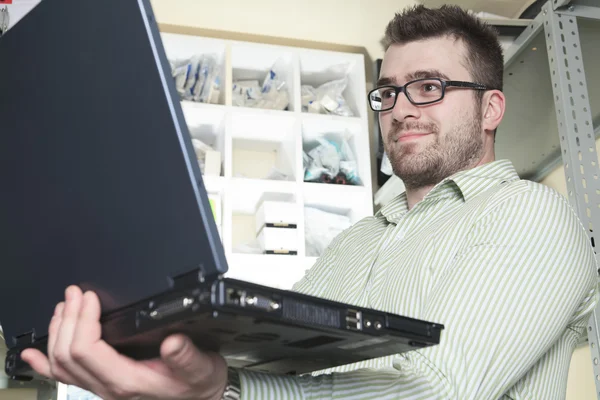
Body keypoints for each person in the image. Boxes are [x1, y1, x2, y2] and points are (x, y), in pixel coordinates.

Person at [21, 4, 599, 400]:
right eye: (388, 92)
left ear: (491, 108)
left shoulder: (531, 214)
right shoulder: (358, 240)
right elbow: (275, 356)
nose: (401, 108)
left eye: (430, 87)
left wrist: (224, 389)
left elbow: (440, 389)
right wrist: (157, 346)